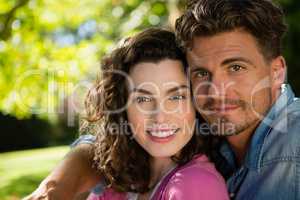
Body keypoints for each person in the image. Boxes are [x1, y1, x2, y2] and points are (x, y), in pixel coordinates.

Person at [25, 0, 300, 199]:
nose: (215, 90)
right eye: (202, 73)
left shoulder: (293, 144)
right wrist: (60, 182)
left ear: (277, 72)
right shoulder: (218, 137)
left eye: (236, 68)